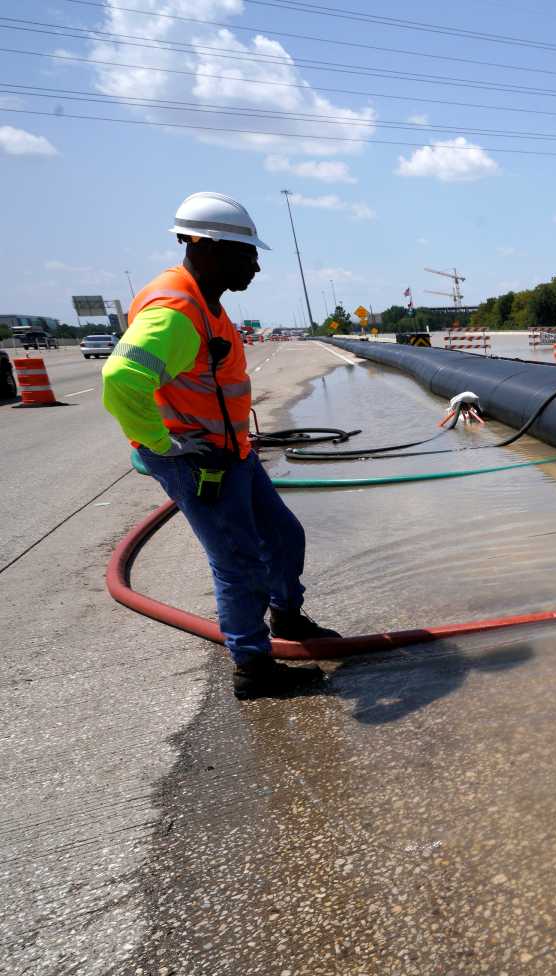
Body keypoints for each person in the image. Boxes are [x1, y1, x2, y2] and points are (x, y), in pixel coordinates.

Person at [103, 191, 339, 700]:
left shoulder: (205, 301)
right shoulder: (177, 310)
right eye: (244, 252)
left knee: (283, 536)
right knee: (238, 562)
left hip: (231, 453)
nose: (254, 265)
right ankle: (254, 670)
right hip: (201, 462)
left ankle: (288, 620)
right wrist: (163, 446)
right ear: (206, 247)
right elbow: (122, 379)